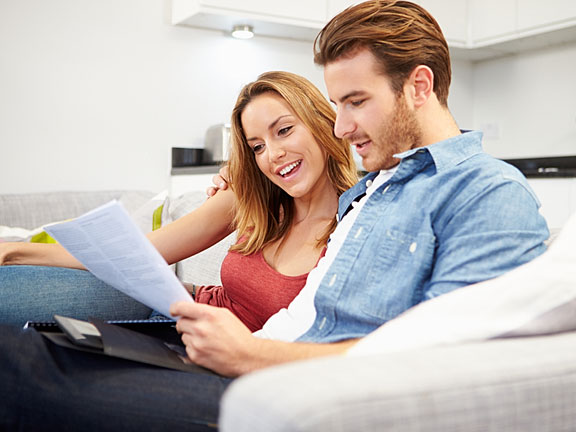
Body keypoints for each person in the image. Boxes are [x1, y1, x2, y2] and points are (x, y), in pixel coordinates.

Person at [0, 1, 549, 430]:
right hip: (234, 356)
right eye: (336, 107)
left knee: (17, 364)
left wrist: (251, 355)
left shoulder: (486, 192)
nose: (341, 126)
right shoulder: (378, 189)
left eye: (355, 101)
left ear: (419, 86)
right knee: (34, 344)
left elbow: (447, 358)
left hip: (284, 391)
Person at [0, 71, 358, 329]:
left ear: (325, 123)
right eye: (257, 147)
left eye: (284, 130)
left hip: (213, 352)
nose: (273, 154)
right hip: (166, 308)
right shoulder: (248, 201)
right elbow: (135, 254)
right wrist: (14, 252)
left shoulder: (358, 224)